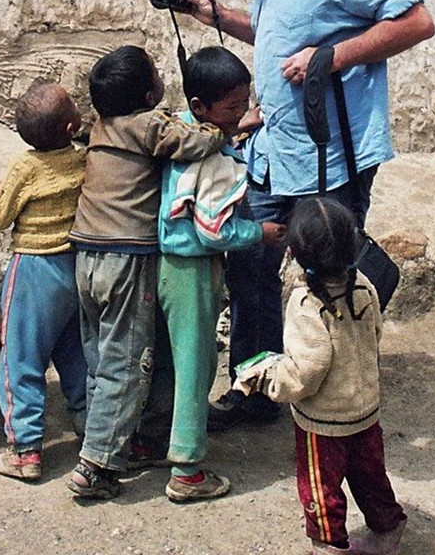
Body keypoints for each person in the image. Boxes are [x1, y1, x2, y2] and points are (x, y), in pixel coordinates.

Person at [181, 0, 435, 430]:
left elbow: (416, 20)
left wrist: (334, 56)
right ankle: (257, 387)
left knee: (330, 271)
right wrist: (215, 15)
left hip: (331, 153)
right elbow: (280, 32)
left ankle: (338, 397)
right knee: (251, 257)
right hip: (280, 148)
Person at [66, 45, 225, 500]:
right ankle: (96, 465)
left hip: (87, 255)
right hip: (127, 258)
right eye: (156, 74)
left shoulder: (101, 128)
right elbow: (195, 143)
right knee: (128, 362)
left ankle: (117, 437)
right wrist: (222, 128)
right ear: (147, 92)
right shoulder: (148, 125)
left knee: (101, 357)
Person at [131, 46, 286, 502]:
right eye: (233, 107)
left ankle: (149, 438)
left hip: (161, 263)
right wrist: (259, 232)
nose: (241, 113)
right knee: (197, 368)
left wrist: (239, 124)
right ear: (202, 108)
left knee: (164, 361)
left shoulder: (179, 130)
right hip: (193, 270)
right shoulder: (215, 161)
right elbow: (215, 229)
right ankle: (187, 469)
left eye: (245, 104)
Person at [236, 197, 407, 554]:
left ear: (296, 253)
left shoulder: (306, 303)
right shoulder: (363, 284)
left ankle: (329, 545)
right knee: (370, 475)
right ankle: (388, 530)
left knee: (321, 488)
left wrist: (267, 380)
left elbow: (305, 373)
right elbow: (374, 334)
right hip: (365, 408)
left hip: (325, 422)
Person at [0, 80, 88, 481]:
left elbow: (0, 216)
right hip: (75, 265)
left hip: (33, 269)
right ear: (69, 130)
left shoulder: (26, 168)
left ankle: (25, 449)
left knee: (21, 357)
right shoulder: (82, 162)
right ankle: (88, 425)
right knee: (76, 351)